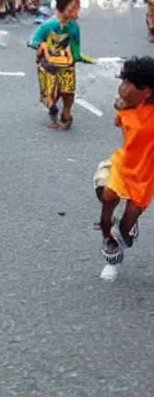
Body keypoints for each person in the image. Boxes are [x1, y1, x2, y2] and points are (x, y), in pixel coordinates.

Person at [93, 56, 154, 281]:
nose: (123, 87)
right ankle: (109, 240)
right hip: (124, 164)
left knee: (125, 229)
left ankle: (121, 240)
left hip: (147, 176)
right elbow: (121, 111)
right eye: (124, 81)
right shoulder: (126, 109)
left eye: (129, 83)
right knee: (108, 199)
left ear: (146, 91)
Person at [29, 0, 85, 129]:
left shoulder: (74, 27)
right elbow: (32, 40)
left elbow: (75, 48)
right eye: (72, 8)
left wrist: (76, 57)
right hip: (48, 63)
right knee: (48, 93)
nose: (76, 12)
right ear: (62, 8)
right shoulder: (48, 26)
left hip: (66, 62)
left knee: (68, 92)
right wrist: (41, 46)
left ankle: (66, 113)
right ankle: (52, 107)